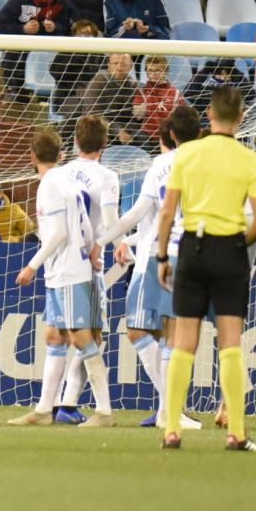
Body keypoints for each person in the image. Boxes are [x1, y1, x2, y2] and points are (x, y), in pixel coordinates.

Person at [157, 85, 256, 451]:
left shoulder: (186, 155)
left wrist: (162, 256)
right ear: (241, 118)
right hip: (230, 249)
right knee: (230, 342)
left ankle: (171, 429)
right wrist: (237, 245)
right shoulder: (250, 160)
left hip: (191, 247)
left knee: (184, 341)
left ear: (209, 114)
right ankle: (236, 431)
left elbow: (168, 210)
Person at [99, 105, 203, 429]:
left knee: (140, 331)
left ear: (169, 136)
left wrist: (102, 239)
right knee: (169, 332)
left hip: (158, 257)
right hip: (194, 255)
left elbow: (138, 213)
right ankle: (167, 410)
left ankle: (172, 411)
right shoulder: (205, 162)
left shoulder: (161, 164)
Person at [9, 128, 112, 427]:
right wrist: (93, 247)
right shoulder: (63, 179)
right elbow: (81, 220)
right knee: (54, 335)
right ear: (61, 154)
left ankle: (104, 410)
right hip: (62, 271)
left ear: (32, 156)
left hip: (67, 271)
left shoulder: (50, 185)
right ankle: (44, 409)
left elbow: (58, 234)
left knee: (81, 337)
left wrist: (32, 266)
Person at [48, 115, 120, 424]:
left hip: (60, 263)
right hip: (90, 262)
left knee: (63, 334)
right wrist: (108, 244)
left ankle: (61, 402)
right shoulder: (107, 176)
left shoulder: (59, 174)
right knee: (92, 336)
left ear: (76, 142)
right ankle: (68, 402)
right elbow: (109, 219)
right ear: (105, 143)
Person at [0, 0, 72, 100]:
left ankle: (60, 92)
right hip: (23, 46)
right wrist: (22, 29)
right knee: (14, 49)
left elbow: (68, 29)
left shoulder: (62, 0)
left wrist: (55, 28)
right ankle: (15, 90)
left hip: (50, 46)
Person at [80, 52, 142, 144]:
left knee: (143, 136)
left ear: (131, 66)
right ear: (108, 65)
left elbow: (133, 117)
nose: (119, 67)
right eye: (116, 63)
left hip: (126, 128)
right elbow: (93, 114)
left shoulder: (134, 85)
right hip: (99, 128)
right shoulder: (99, 81)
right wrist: (117, 131)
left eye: (124, 64)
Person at [134, 55, 188, 147]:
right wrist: (140, 110)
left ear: (166, 71)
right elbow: (138, 116)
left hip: (169, 135)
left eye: (158, 70)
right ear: (146, 73)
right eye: (150, 70)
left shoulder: (175, 93)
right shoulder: (142, 92)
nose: (154, 74)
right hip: (148, 135)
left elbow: (183, 116)